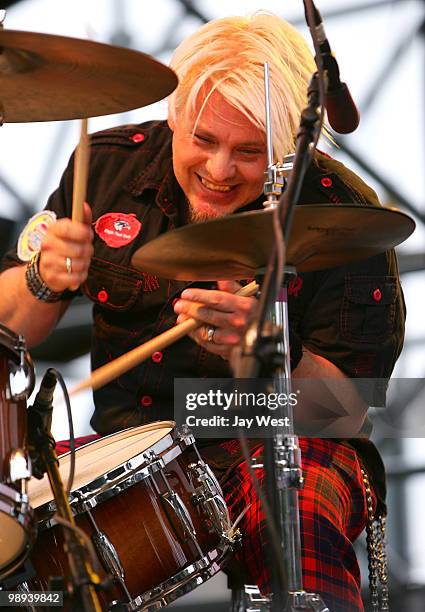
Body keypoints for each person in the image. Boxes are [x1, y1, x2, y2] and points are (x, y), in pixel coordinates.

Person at [0, 12, 404, 611]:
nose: (218, 171)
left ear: (294, 142)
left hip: (279, 441)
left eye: (248, 151)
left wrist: (258, 362)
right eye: (204, 140)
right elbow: (10, 330)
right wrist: (42, 277)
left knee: (301, 487)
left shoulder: (345, 213)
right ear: (176, 113)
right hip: (120, 447)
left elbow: (343, 409)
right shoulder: (111, 167)